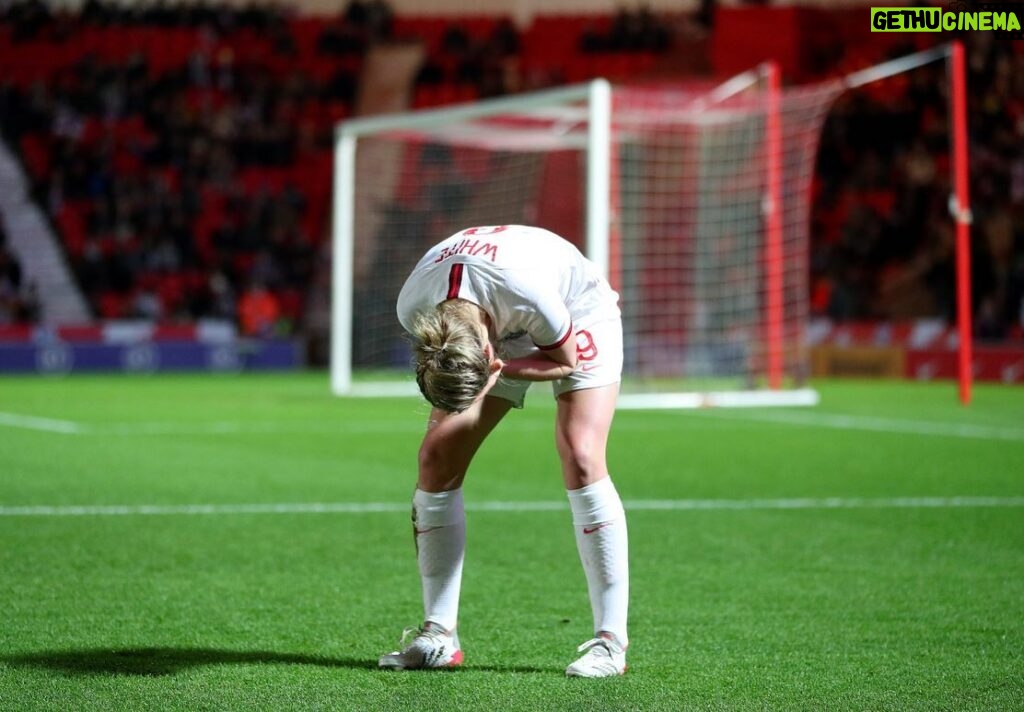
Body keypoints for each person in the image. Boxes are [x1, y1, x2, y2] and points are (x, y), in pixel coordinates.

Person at [378, 225, 630, 678]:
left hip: (574, 313)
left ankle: (611, 643)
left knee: (581, 453)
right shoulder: (415, 310)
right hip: (489, 327)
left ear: (488, 353)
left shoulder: (529, 295)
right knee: (436, 457)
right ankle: (439, 635)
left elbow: (565, 361)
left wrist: (505, 369)